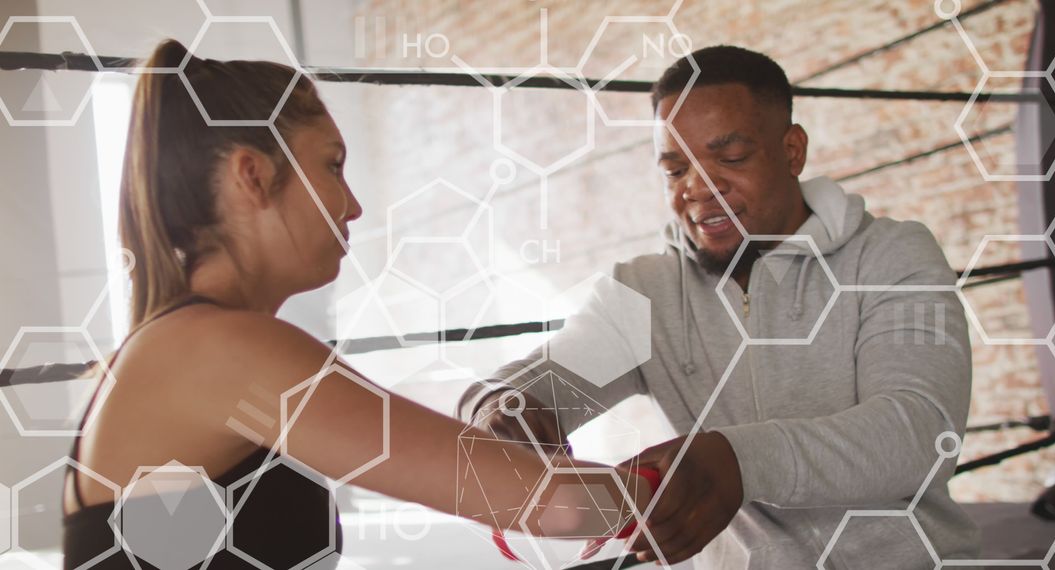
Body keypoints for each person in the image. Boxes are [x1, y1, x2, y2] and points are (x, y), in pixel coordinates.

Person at [61, 39, 654, 569]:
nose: (352, 205)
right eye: (332, 166)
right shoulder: (221, 350)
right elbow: (552, 503)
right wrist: (693, 472)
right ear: (253, 177)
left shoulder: (182, 345)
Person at [458, 45, 982, 568]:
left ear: (792, 151)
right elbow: (529, 389)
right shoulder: (647, 293)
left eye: (729, 159)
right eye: (675, 169)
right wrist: (497, 410)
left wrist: (738, 460)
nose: (697, 189)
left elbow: (921, 432)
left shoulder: (891, 254)